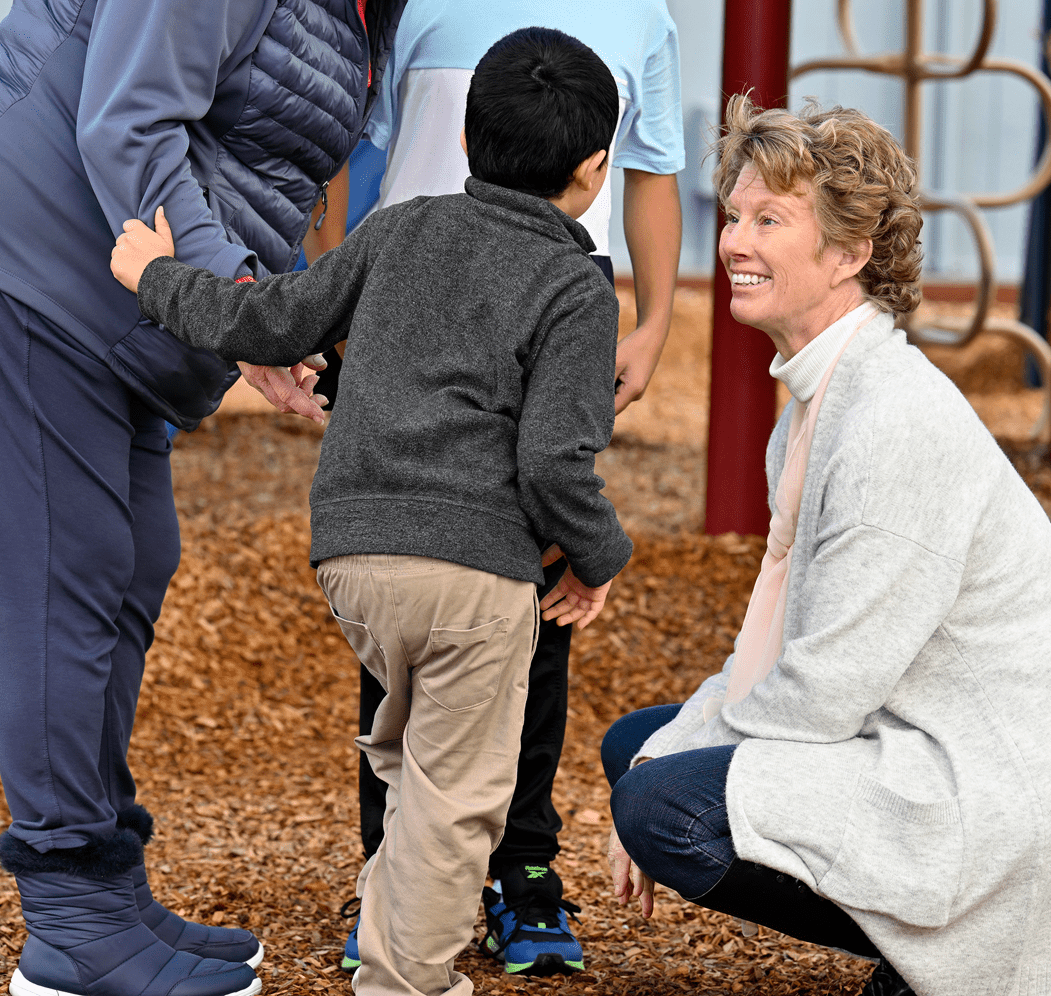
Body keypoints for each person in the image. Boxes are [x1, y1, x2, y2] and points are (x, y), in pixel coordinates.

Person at [110, 27, 634, 996]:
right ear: (595, 169)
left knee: (409, 761)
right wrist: (601, 557)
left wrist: (155, 276)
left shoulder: (400, 230)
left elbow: (270, 320)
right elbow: (553, 464)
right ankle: (406, 983)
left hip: (354, 562)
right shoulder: (576, 286)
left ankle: (391, 938)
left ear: (466, 141)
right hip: (474, 577)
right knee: (458, 798)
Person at [601, 95, 1051, 996]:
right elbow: (782, 650)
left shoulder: (890, 421)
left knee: (660, 804)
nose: (734, 242)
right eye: (734, 215)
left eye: (770, 220)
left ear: (850, 254)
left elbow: (824, 691)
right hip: (916, 740)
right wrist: (667, 751)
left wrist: (656, 782)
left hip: (996, 792)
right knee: (639, 749)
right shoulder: (822, 404)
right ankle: (917, 948)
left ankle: (946, 957)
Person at [0, 2, 405, 995]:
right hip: (44, 266)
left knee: (132, 563)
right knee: (68, 582)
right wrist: (238, 300)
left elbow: (255, 161)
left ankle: (106, 886)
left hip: (130, 310)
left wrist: (260, 304)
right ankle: (72, 923)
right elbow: (129, 120)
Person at [339, 1, 684, 976]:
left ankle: (522, 865)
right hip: (418, 284)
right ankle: (390, 872)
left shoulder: (641, 14)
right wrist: (336, 294)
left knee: (538, 581)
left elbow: (652, 167)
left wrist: (655, 321)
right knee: (417, 572)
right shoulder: (408, 4)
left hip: (557, 287)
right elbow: (349, 149)